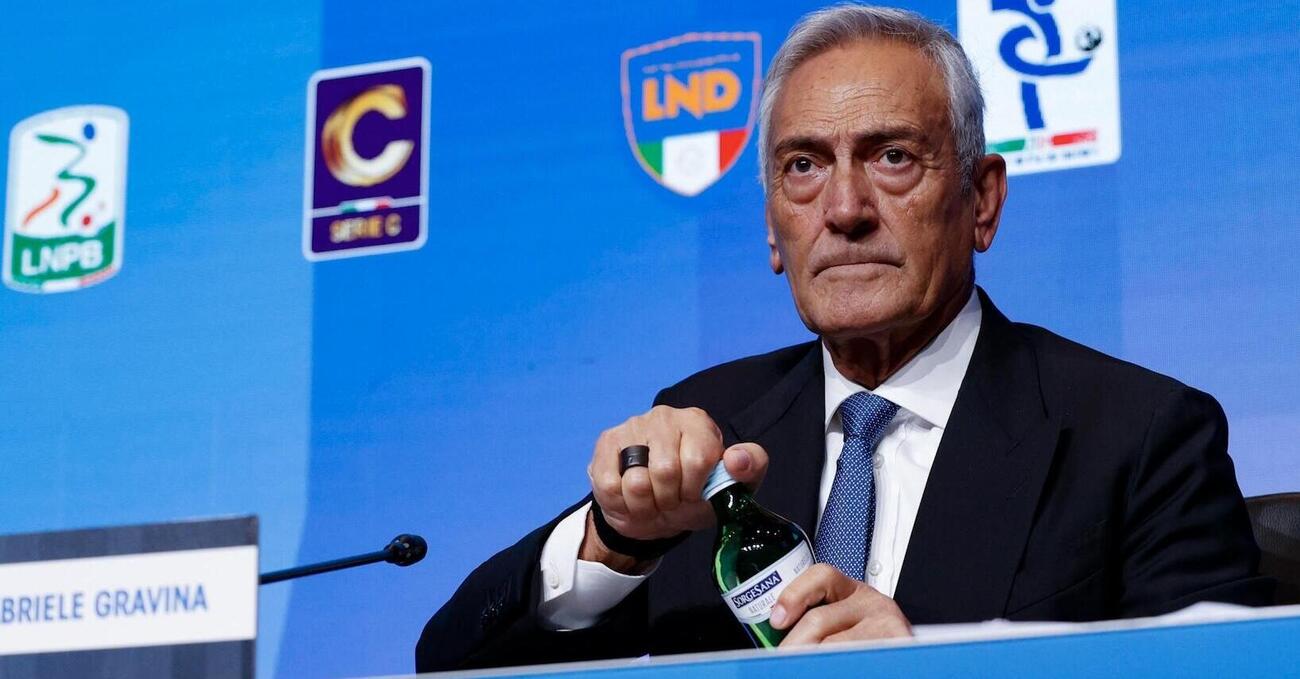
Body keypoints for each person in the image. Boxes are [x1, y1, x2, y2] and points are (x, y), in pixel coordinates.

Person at [416, 4, 1272, 671]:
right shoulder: (708, 422)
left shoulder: (1139, 434)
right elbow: (449, 661)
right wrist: (615, 539)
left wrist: (930, 670)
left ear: (982, 200)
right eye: (804, 166)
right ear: (771, 227)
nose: (845, 209)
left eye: (892, 156)